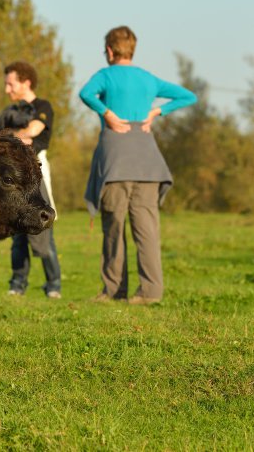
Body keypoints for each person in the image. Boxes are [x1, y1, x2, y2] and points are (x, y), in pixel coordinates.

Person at [79, 26, 197, 305]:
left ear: (109, 50)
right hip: (148, 164)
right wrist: (157, 111)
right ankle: (150, 293)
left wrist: (107, 113)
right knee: (147, 231)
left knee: (114, 229)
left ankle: (114, 290)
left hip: (116, 163)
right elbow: (188, 96)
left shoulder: (105, 76)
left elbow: (86, 94)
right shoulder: (148, 79)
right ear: (132, 49)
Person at [0, 61, 62, 299]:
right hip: (13, 175)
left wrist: (13, 136)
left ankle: (54, 284)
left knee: (43, 227)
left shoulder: (43, 106)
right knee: (17, 231)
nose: (7, 90)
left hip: (37, 171)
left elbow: (34, 130)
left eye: (10, 84)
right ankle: (17, 283)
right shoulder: (7, 112)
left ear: (25, 82)